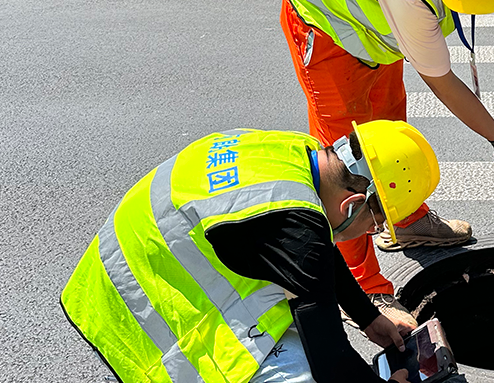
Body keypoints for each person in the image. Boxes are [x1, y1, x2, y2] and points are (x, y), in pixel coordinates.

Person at [280, 0, 494, 322]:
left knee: (392, 134)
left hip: (372, 20)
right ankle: (365, 285)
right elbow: (442, 81)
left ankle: (406, 220)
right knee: (350, 168)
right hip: (325, 25)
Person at [60, 121, 441, 383]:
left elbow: (315, 261)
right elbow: (331, 361)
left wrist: (368, 316)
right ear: (353, 204)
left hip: (132, 258)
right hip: (132, 308)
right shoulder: (299, 228)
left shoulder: (296, 152)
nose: (370, 233)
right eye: (374, 224)